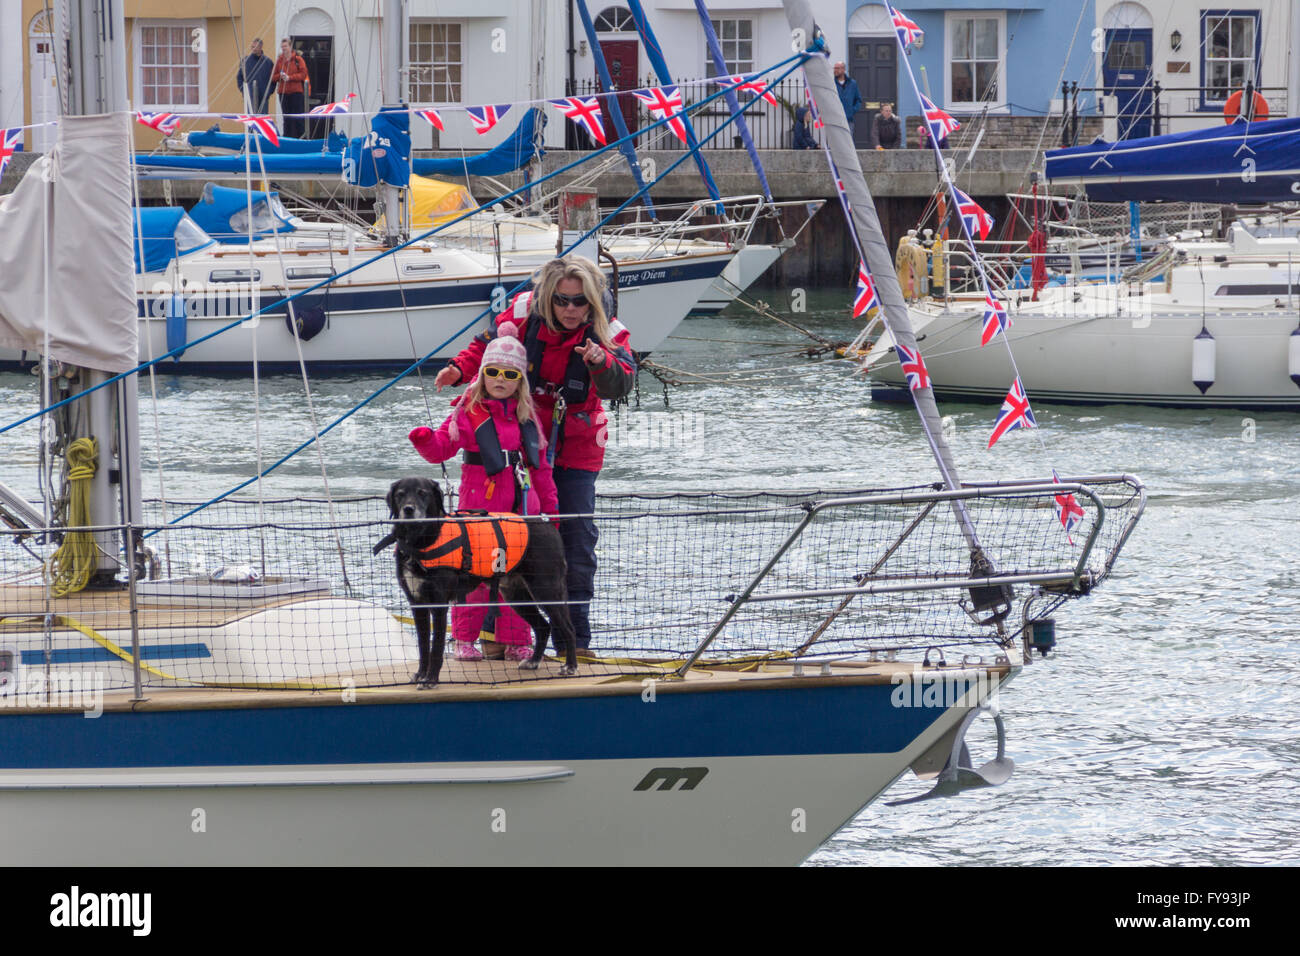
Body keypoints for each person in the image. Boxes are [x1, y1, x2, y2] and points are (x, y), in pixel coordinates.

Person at [434, 256, 636, 655]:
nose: (571, 310)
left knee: (575, 540)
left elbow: (622, 381)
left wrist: (600, 361)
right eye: (562, 301)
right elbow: (486, 349)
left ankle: (574, 641)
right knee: (500, 536)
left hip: (576, 447)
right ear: (549, 298)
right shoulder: (523, 313)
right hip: (520, 441)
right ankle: (495, 635)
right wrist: (458, 370)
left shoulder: (609, 333)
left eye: (580, 303)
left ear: (594, 302)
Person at [408, 329, 559, 662]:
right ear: (482, 375)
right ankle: (464, 639)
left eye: (509, 374)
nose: (500, 379)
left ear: (519, 380)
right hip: (477, 514)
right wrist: (423, 440)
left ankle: (517, 641)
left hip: (518, 513)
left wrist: (551, 511)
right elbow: (441, 449)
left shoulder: (528, 419)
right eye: (493, 372)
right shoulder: (466, 413)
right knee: (471, 579)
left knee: (515, 579)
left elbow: (543, 472)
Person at [273, 38, 309, 139]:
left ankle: (301, 139)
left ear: (290, 47)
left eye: (285, 46)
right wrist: (281, 77)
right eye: (282, 47)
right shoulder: (279, 61)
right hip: (283, 92)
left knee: (298, 117)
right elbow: (273, 76)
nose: (284, 49)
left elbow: (303, 74)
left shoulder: (298, 60)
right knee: (286, 118)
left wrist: (290, 78)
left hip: (296, 92)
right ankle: (287, 138)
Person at [236, 38, 273, 113]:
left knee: (262, 121)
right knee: (251, 121)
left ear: (260, 47)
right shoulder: (245, 61)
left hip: (263, 98)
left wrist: (268, 92)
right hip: (250, 97)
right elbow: (239, 77)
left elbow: (273, 79)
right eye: (252, 47)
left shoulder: (268, 62)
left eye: (255, 47)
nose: (253, 49)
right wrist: (244, 91)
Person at [832, 61, 863, 135]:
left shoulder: (852, 84)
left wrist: (852, 111)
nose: (834, 70)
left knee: (848, 143)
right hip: (834, 120)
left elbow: (858, 100)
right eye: (834, 68)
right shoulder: (831, 83)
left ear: (843, 69)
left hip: (848, 120)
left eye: (837, 68)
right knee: (835, 144)